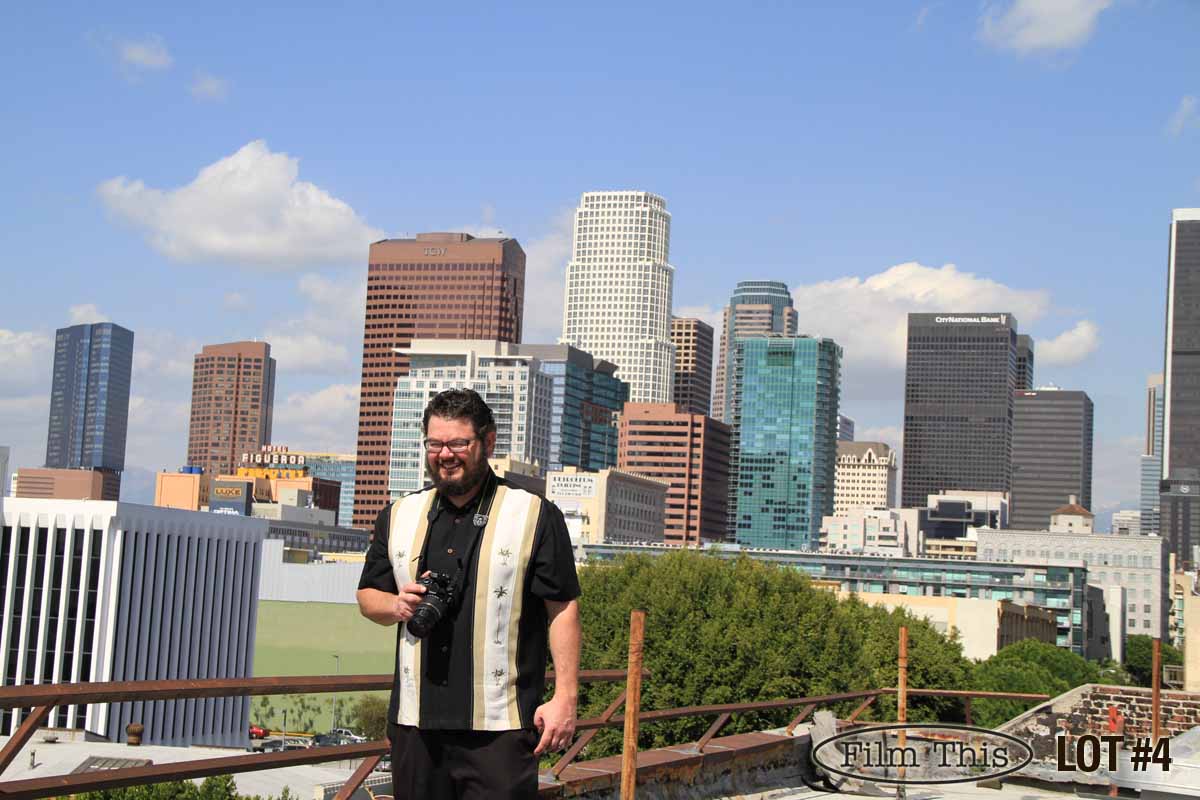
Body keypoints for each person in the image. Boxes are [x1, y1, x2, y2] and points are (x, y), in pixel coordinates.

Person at [356, 388, 582, 799]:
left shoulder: (533, 514)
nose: (445, 455)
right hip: (415, 723)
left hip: (501, 726)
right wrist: (397, 604)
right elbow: (368, 596)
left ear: (487, 441)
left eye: (458, 443)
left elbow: (563, 607)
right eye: (435, 444)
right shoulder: (399, 514)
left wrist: (565, 697)